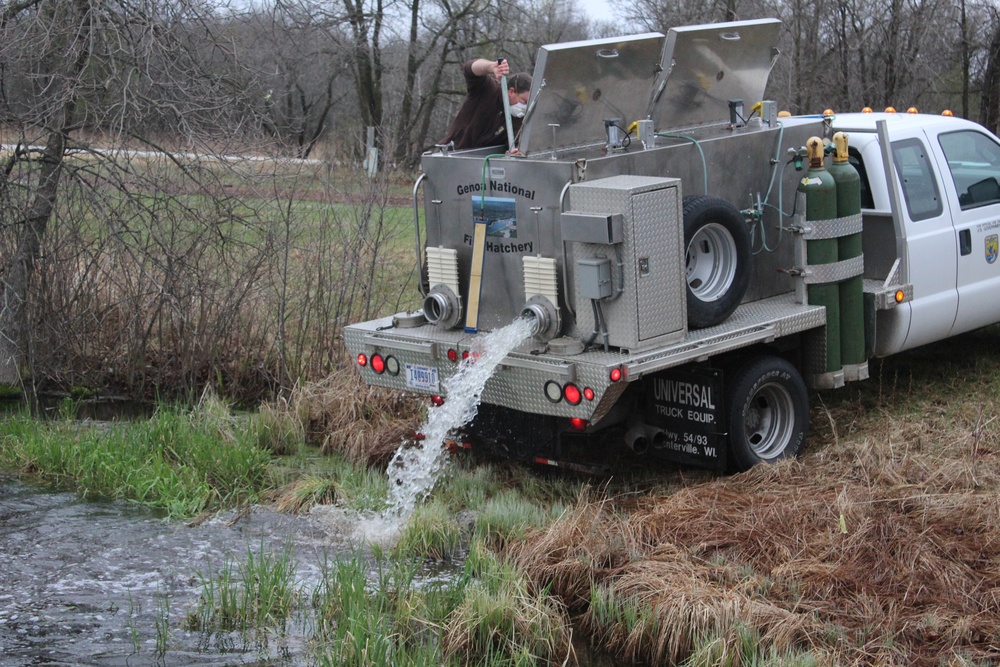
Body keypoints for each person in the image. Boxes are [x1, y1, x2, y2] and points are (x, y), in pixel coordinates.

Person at [440, 58, 531, 152]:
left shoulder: (519, 120)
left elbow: (516, 144)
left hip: (482, 162)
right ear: (511, 92)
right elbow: (469, 69)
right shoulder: (488, 89)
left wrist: (517, 151)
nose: (524, 107)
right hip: (452, 154)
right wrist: (491, 67)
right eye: (524, 101)